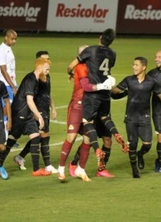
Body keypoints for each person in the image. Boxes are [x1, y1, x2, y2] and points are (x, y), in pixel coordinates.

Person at [67, 29, 128, 179]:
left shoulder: (90, 51)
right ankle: (74, 163)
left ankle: (101, 168)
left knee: (100, 136)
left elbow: (71, 66)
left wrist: (70, 72)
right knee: (93, 134)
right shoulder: (112, 54)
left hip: (95, 97)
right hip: (104, 94)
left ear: (100, 37)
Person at [111, 57, 161, 178]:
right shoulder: (129, 80)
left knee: (147, 144)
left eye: (136, 65)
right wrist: (110, 87)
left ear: (143, 67)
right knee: (132, 144)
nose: (134, 67)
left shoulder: (151, 82)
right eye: (133, 65)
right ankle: (135, 170)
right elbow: (115, 92)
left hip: (144, 117)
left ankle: (140, 154)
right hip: (131, 117)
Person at [58, 45, 116, 181]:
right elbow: (86, 87)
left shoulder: (93, 68)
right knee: (71, 137)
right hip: (77, 106)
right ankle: (61, 169)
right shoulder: (81, 67)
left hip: (89, 106)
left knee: (88, 140)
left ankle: (81, 169)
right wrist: (103, 85)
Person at [0, 57, 52, 176]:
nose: (48, 72)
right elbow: (29, 100)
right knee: (11, 140)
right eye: (47, 70)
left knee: (36, 137)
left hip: (27, 115)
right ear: (40, 68)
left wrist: (34, 115)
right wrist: (39, 116)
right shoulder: (30, 80)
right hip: (20, 114)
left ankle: (36, 170)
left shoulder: (36, 79)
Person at [13, 51, 58, 174]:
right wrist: (36, 113)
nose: (48, 61)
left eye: (48, 58)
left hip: (46, 108)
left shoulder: (47, 76)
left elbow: (48, 93)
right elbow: (31, 97)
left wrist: (53, 107)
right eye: (45, 59)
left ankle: (20, 156)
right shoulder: (35, 78)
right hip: (39, 109)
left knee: (39, 137)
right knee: (43, 136)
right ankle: (47, 165)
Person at [0, 29, 18, 141]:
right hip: (5, 85)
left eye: (15, 39)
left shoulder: (8, 49)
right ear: (6, 37)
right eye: (12, 39)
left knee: (14, 110)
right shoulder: (1, 50)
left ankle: (9, 137)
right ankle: (4, 139)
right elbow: (3, 71)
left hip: (12, 83)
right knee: (6, 111)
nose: (14, 41)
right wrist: (13, 87)